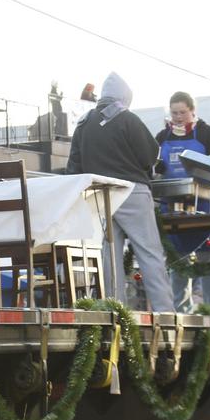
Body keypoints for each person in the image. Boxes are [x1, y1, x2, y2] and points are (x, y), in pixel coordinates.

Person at [67, 72, 173, 312]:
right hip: (132, 192)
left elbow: (73, 167)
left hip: (101, 195)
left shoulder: (83, 123)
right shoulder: (128, 119)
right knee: (149, 253)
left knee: (109, 256)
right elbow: (150, 156)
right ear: (125, 97)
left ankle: (115, 310)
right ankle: (164, 311)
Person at [155, 91, 210, 312]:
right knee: (178, 264)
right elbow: (153, 166)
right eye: (174, 112)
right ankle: (181, 315)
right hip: (173, 207)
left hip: (206, 206)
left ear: (192, 111)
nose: (178, 117)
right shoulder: (162, 138)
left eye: (182, 112)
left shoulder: (208, 134)